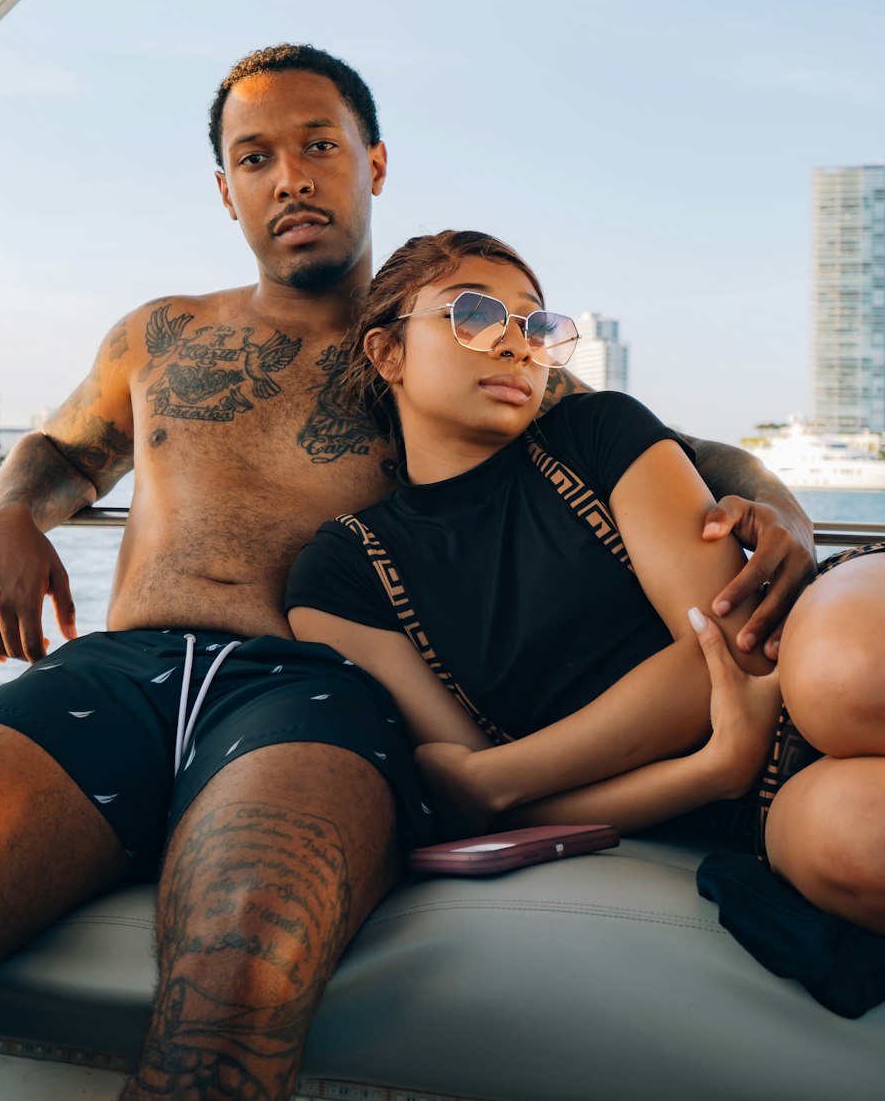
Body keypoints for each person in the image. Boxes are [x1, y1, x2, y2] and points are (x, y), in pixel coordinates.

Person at [0, 45, 816, 1101]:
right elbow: (65, 448)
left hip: (314, 695)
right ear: (224, 189)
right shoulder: (160, 333)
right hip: (116, 674)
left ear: (372, 164)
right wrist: (6, 516)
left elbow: (683, 449)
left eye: (319, 146)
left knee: (238, 986)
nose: (290, 177)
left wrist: (782, 510)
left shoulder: (444, 346)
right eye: (255, 157)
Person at [285, 228, 885, 935]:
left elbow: (736, 644)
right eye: (473, 316)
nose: (515, 345)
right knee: (861, 849)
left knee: (849, 674)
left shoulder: (595, 430)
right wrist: (715, 769)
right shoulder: (343, 573)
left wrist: (499, 778)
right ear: (388, 351)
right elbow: (482, 806)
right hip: (740, 802)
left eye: (536, 326)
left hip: (800, 648)